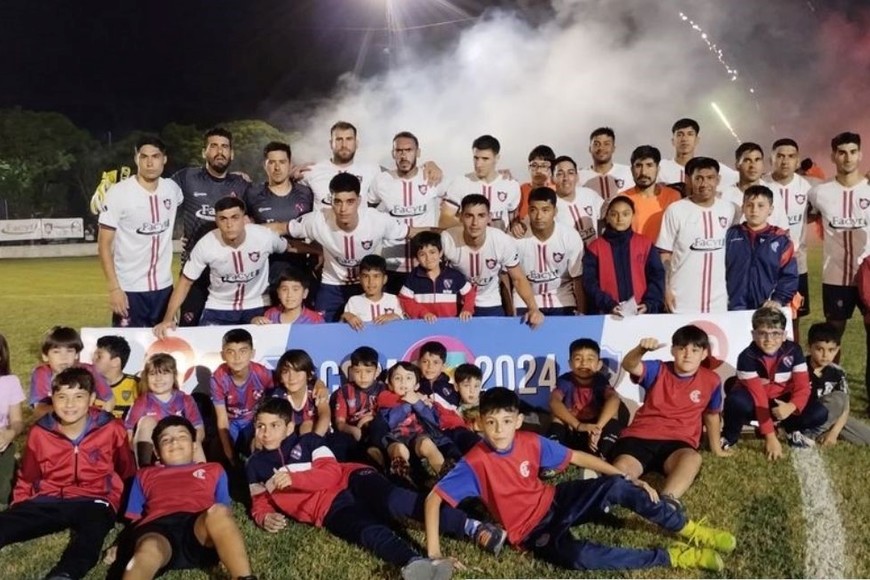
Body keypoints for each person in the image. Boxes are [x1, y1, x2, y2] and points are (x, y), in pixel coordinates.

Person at [425, 387, 734, 572]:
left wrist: (628, 478)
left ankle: (690, 529)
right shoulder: (474, 462)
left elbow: (578, 457)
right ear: (479, 424)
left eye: (506, 421)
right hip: (531, 531)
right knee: (580, 556)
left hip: (556, 499)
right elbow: (434, 498)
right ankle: (673, 556)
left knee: (616, 485)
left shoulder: (530, 441)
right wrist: (434, 553)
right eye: (491, 422)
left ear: (518, 421)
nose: (499, 429)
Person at [245, 397, 506, 580]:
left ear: (289, 427)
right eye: (260, 426)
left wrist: (295, 479)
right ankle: (414, 563)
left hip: (352, 479)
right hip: (327, 510)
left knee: (397, 502)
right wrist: (263, 515)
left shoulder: (310, 441)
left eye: (274, 425)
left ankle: (473, 527)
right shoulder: (255, 465)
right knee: (366, 531)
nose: (266, 432)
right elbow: (259, 499)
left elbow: (331, 472)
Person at [0, 368, 135, 580]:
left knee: (91, 537)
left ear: (91, 398)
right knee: (6, 524)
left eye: (78, 397)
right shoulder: (40, 432)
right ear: (52, 398)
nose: (69, 405)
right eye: (62, 397)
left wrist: (129, 510)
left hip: (95, 499)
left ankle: (64, 575)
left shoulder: (111, 428)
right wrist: (20, 506)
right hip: (50, 498)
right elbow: (28, 475)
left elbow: (126, 469)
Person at [112, 416, 257, 580]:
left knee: (219, 512)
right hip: (158, 529)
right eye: (166, 440)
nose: (174, 442)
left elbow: (224, 512)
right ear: (157, 452)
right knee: (148, 549)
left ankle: (244, 577)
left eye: (182, 436)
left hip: (197, 529)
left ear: (194, 446)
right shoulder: (144, 474)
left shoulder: (213, 470)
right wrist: (120, 544)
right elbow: (134, 519)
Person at [278, 173, 427, 322]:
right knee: (324, 333)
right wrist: (255, 232)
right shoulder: (318, 219)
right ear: (331, 201)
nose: (343, 208)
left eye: (350, 201)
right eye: (338, 202)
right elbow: (280, 228)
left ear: (359, 201)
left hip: (366, 285)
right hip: (332, 285)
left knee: (378, 328)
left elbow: (412, 232)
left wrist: (446, 234)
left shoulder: (377, 220)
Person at [610, 326, 728, 500]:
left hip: (679, 442)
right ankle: (627, 492)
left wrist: (716, 448)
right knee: (621, 470)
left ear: (704, 354)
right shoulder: (658, 369)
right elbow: (629, 365)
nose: (687, 355)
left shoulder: (712, 380)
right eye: (682, 349)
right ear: (673, 350)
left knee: (692, 459)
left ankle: (667, 501)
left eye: (694, 350)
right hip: (640, 436)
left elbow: (711, 415)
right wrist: (640, 350)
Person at [153, 196, 288, 333]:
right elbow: (185, 282)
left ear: (244, 219)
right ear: (216, 221)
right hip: (219, 307)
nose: (229, 224)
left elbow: (288, 247)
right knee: (208, 352)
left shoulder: (264, 237)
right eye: (223, 219)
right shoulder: (206, 244)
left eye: (235, 217)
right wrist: (168, 319)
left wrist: (310, 249)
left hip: (257, 305)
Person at [807, 132, 870, 413]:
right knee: (832, 338)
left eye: (852, 151)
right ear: (833, 156)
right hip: (835, 277)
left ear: (860, 154)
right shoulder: (819, 192)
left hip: (868, 276)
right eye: (841, 152)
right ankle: (829, 390)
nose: (847, 157)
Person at [97, 136, 184, 327]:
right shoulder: (118, 193)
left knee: (165, 350)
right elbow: (103, 245)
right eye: (144, 157)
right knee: (127, 351)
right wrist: (114, 289)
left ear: (164, 159)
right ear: (136, 159)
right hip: (129, 290)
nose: (150, 162)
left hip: (164, 289)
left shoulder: (172, 190)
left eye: (155, 156)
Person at [721, 307, 828, 458]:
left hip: (781, 401)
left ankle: (790, 430)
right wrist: (770, 437)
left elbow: (803, 387)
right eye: (762, 333)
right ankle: (729, 437)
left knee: (819, 412)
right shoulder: (746, 357)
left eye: (775, 334)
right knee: (736, 401)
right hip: (755, 403)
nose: (769, 340)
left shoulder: (794, 351)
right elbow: (759, 399)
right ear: (753, 334)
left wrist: (791, 406)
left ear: (784, 335)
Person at [172, 127, 251, 327]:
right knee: (189, 329)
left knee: (231, 333)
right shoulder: (186, 178)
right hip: (194, 273)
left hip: (230, 273)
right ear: (204, 152)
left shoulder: (241, 184)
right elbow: (156, 194)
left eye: (224, 146)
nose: (219, 151)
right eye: (213, 146)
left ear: (232, 153)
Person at [441, 194, 545, 325]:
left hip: (489, 302)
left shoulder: (501, 241)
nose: (475, 223)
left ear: (489, 218)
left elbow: (518, 278)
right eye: (469, 216)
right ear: (460, 217)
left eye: (481, 216)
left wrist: (533, 308)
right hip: (457, 303)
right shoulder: (447, 240)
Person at [657, 157, 739, 313]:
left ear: (718, 179)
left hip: (718, 299)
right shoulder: (675, 210)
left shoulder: (729, 209)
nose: (704, 184)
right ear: (688, 179)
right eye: (698, 178)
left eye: (710, 178)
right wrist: (666, 289)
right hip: (682, 297)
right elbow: (665, 254)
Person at [370, 131, 445, 293]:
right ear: (393, 153)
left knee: (427, 316)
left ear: (418, 152)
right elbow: (367, 210)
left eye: (409, 150)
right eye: (399, 151)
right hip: (393, 266)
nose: (404, 155)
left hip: (426, 265)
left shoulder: (431, 177)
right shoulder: (381, 181)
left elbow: (456, 204)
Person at [244, 141, 316, 288]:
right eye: (272, 162)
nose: (277, 168)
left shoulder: (306, 193)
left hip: (300, 271)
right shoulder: (252, 193)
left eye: (282, 162)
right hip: (263, 274)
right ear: (265, 165)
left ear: (290, 165)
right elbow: (245, 230)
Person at [764, 138, 814, 338]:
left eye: (790, 156)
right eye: (780, 156)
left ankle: (792, 361)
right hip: (765, 265)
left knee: (794, 318)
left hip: (796, 265)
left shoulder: (809, 189)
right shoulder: (761, 184)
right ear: (771, 159)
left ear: (797, 160)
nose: (785, 161)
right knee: (762, 314)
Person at [583, 195, 665, 315]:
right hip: (607, 314)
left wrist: (648, 304)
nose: (620, 218)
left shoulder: (645, 244)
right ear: (607, 217)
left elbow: (657, 276)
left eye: (625, 214)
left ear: (633, 216)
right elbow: (589, 283)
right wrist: (608, 304)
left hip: (641, 313)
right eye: (614, 214)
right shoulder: (595, 247)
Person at [548, 338, 628, 458]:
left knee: (616, 410)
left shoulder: (600, 381)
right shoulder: (565, 381)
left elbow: (613, 399)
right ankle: (554, 458)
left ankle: (603, 456)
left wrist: (598, 428)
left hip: (596, 431)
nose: (584, 363)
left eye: (590, 359)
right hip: (575, 428)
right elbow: (554, 402)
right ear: (570, 363)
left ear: (599, 364)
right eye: (578, 359)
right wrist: (579, 426)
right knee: (556, 417)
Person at [725, 185, 798, 311]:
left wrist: (778, 299)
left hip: (767, 308)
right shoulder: (730, 235)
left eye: (760, 205)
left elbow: (789, 275)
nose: (754, 210)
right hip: (733, 308)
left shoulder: (780, 240)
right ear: (743, 208)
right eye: (749, 205)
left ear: (770, 209)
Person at [124, 353, 205, 467]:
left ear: (174, 375)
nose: (158, 379)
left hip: (181, 450)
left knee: (193, 438)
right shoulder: (141, 402)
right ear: (146, 377)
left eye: (165, 373)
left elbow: (199, 429)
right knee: (146, 422)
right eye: (153, 374)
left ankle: (202, 475)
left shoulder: (185, 399)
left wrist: (187, 446)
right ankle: (145, 473)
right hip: (154, 454)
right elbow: (129, 433)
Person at [513, 187, 584, 315]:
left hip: (562, 299)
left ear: (555, 211)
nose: (539, 216)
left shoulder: (570, 236)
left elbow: (577, 278)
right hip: (524, 301)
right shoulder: (517, 237)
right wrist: (510, 311)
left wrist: (582, 311)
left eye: (545, 210)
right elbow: (509, 277)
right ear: (528, 211)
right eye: (534, 210)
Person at [799, 323, 870, 445]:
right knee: (837, 399)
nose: (825, 355)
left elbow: (845, 408)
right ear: (809, 347)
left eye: (831, 350)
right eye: (819, 349)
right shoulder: (799, 368)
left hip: (830, 417)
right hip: (805, 415)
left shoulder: (837, 372)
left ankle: (821, 431)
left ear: (837, 349)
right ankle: (808, 433)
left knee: (866, 437)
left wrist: (834, 433)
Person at [377, 362, 447, 482]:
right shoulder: (385, 402)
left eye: (408, 378)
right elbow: (389, 422)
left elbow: (434, 422)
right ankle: (404, 481)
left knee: (426, 443)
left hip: (419, 437)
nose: (403, 382)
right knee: (399, 449)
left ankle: (446, 479)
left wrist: (417, 403)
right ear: (390, 385)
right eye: (398, 378)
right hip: (395, 438)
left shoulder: (424, 402)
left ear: (416, 386)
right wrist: (407, 405)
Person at [211, 329, 272, 464]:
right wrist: (229, 453)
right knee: (220, 449)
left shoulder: (262, 374)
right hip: (231, 421)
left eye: (243, 351)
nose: (237, 357)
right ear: (222, 355)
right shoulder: (218, 377)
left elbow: (288, 381)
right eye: (231, 352)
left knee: (258, 448)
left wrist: (318, 383)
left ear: (252, 353)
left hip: (253, 420)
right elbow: (222, 420)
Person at [29, 326, 114, 420]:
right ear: (45, 356)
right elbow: (39, 411)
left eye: (69, 351)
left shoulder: (89, 371)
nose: (63, 357)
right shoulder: (42, 374)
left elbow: (109, 400)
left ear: (77, 354)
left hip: (89, 423)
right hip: (55, 426)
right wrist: (69, 411)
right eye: (56, 352)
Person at [442, 135, 521, 232]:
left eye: (485, 159)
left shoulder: (511, 185)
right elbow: (444, 220)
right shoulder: (461, 182)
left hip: (499, 246)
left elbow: (513, 222)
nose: (478, 164)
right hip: (468, 245)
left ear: (497, 158)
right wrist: (474, 228)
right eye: (476, 158)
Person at [299, 121, 383, 209]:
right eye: (339, 139)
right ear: (331, 144)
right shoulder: (311, 171)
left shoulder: (372, 170)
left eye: (349, 139)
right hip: (323, 222)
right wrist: (290, 174)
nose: (344, 145)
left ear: (356, 143)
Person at [399, 231, 476, 322]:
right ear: (417, 258)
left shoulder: (454, 275)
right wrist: (423, 313)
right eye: (422, 254)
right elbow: (404, 300)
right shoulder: (413, 278)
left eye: (432, 252)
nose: (428, 258)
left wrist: (467, 309)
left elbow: (469, 293)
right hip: (423, 326)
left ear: (440, 253)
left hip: (449, 325)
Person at [622, 145, 682, 241]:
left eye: (649, 165)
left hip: (665, 255)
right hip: (634, 255)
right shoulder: (622, 199)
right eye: (638, 166)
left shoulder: (673, 197)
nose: (644, 172)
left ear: (658, 169)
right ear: (632, 170)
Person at [267, 349, 330, 437]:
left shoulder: (316, 391)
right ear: (280, 377)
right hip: (288, 439)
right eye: (286, 372)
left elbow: (325, 415)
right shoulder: (277, 396)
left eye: (297, 371)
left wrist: (315, 440)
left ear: (309, 375)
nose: (292, 377)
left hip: (317, 436)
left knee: (307, 426)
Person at [658, 118, 738, 187]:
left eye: (690, 134)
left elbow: (740, 178)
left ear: (697, 140)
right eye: (680, 135)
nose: (684, 139)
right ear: (673, 141)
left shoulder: (710, 167)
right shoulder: (661, 167)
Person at [331, 346, 385, 448]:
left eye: (368, 371)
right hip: (352, 433)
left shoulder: (383, 390)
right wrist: (353, 430)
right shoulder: (344, 391)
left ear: (377, 372)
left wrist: (367, 419)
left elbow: (388, 418)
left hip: (376, 433)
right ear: (351, 371)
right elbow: (340, 423)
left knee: (379, 427)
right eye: (357, 371)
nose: (363, 376)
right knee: (336, 441)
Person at [342, 254, 405, 330]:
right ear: (360, 279)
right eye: (366, 276)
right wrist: (347, 316)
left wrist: (395, 317)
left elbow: (404, 325)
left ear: (384, 279)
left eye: (376, 276)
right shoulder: (354, 301)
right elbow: (342, 327)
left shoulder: (393, 299)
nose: (371, 281)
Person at [551, 155, 602, 245]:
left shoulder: (589, 194)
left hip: (595, 256)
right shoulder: (550, 205)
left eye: (570, 173)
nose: (566, 178)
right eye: (560, 174)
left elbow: (606, 214)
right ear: (553, 178)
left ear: (577, 176)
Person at [252, 268, 325, 325]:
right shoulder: (270, 314)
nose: (289, 295)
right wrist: (256, 321)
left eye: (295, 289)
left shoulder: (315, 320)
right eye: (284, 289)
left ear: (305, 293)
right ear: (278, 293)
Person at [0, 333, 24, 507]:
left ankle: (13, 468)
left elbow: (17, 421)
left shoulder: (10, 382)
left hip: (2, 444)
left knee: (3, 494)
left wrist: (11, 433)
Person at [576, 127, 633, 200]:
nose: (601, 148)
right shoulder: (579, 176)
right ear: (590, 149)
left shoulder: (628, 172)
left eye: (606, 144)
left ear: (613, 148)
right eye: (596, 144)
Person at [92, 335, 139, 419]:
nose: (93, 359)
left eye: (99, 356)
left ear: (115, 362)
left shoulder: (137, 385)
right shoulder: (89, 384)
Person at [517, 145, 556, 220]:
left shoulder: (557, 190)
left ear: (551, 169)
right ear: (529, 168)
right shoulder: (521, 190)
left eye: (544, 166)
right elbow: (514, 216)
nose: (538, 170)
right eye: (534, 165)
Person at [416, 341, 458, 406]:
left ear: (443, 366)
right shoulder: (414, 387)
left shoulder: (453, 389)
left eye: (435, 362)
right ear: (419, 363)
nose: (430, 366)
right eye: (425, 362)